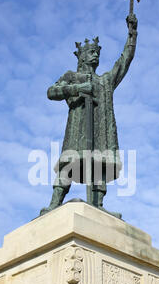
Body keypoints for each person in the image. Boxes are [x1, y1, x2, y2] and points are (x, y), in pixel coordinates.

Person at [40, 13, 138, 218]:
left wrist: (132, 35)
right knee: (70, 161)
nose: (95, 55)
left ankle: (98, 204)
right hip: (78, 130)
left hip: (99, 132)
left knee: (99, 162)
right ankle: (54, 203)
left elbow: (124, 62)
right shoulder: (71, 76)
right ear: (82, 56)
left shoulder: (105, 82)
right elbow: (51, 92)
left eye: (96, 52)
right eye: (91, 52)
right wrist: (76, 88)